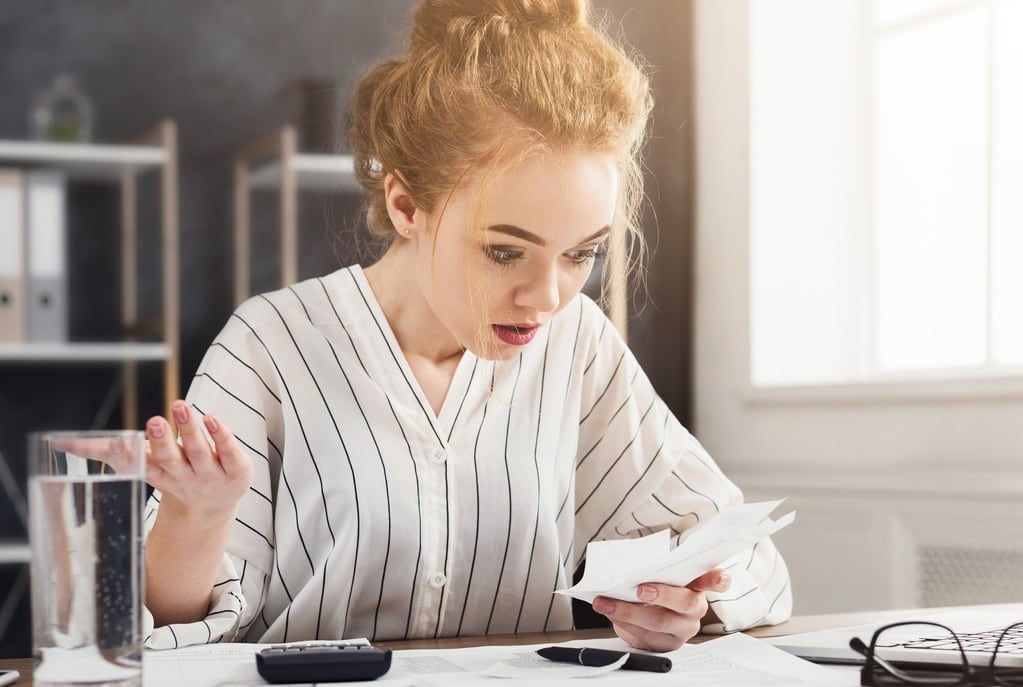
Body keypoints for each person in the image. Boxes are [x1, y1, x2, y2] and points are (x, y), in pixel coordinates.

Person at [139, 0, 791, 652]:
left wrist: (689, 598)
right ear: (405, 204)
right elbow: (164, 626)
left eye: (580, 254)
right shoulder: (270, 344)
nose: (545, 296)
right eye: (505, 251)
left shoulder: (576, 343)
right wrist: (196, 515)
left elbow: (751, 560)